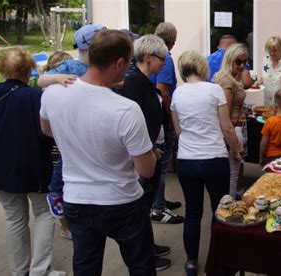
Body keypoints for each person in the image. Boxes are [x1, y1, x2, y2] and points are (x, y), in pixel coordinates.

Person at [39, 29, 157, 275]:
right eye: (129, 63)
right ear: (119, 63)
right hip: (122, 201)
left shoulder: (53, 94)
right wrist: (153, 153)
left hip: (77, 199)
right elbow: (146, 169)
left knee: (85, 267)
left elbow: (48, 130)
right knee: (141, 266)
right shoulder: (125, 109)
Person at [0, 48, 64, 276]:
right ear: (29, 70)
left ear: (3, 69)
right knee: (44, 213)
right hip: (33, 165)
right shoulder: (37, 97)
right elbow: (48, 132)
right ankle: (40, 269)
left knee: (14, 218)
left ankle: (19, 270)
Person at [171, 50, 241, 276]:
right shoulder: (214, 90)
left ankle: (191, 262)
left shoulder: (177, 94)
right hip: (213, 158)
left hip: (187, 160)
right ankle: (217, 259)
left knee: (192, 211)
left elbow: (178, 131)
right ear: (202, 67)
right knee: (219, 210)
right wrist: (237, 151)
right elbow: (227, 127)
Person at [39, 23, 106, 221]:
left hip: (92, 120)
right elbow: (41, 79)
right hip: (76, 120)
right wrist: (58, 77)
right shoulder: (72, 66)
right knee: (65, 158)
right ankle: (55, 192)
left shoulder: (101, 67)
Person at [120, 34, 173, 271]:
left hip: (152, 151)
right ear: (149, 57)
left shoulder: (144, 80)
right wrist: (150, 149)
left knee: (146, 203)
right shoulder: (134, 83)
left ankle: (149, 246)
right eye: (162, 59)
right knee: (140, 209)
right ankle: (145, 255)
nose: (164, 63)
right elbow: (133, 123)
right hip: (143, 156)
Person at [150, 22, 185, 224]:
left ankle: (159, 199)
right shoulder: (166, 58)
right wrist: (172, 118)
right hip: (161, 116)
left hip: (153, 114)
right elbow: (163, 90)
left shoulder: (150, 54)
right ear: (172, 41)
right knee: (162, 164)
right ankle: (158, 209)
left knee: (159, 164)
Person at [42, 51, 75, 240]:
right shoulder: (54, 92)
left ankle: (65, 225)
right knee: (58, 186)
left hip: (55, 143)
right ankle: (66, 225)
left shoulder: (48, 91)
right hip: (61, 144)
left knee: (58, 186)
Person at [214, 43, 248, 198]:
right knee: (233, 173)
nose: (242, 66)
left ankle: (234, 200)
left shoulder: (226, 77)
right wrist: (236, 142)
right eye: (238, 62)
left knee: (234, 170)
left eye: (244, 62)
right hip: (233, 129)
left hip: (234, 129)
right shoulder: (228, 82)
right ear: (229, 60)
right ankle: (231, 207)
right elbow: (225, 115)